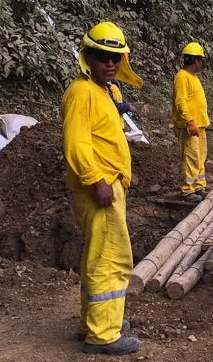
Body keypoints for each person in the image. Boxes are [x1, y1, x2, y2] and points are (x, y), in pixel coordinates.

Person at [62, 21, 142, 356]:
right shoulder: (82, 93)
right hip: (100, 187)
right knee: (111, 259)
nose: (110, 63)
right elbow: (77, 143)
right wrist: (96, 179)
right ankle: (104, 334)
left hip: (107, 184)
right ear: (87, 57)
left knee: (98, 256)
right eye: (102, 56)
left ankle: (94, 322)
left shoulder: (102, 92)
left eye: (114, 57)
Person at [173, 42, 209, 203]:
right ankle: (188, 190)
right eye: (201, 60)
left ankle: (199, 186)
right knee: (191, 157)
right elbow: (180, 102)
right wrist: (189, 121)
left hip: (199, 124)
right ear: (196, 61)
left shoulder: (193, 78)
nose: (201, 63)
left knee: (200, 156)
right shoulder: (182, 77)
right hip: (190, 126)